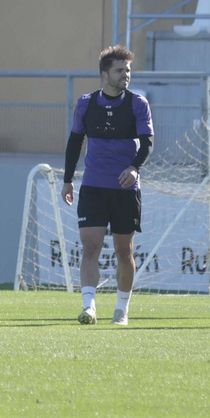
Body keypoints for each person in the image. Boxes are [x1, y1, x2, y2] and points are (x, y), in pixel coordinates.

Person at [61, 45, 152, 326]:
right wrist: (67, 180)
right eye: (119, 70)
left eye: (127, 70)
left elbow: (147, 143)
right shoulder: (86, 103)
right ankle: (89, 307)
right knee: (90, 247)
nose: (125, 75)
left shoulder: (138, 103)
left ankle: (121, 310)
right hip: (93, 186)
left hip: (125, 187)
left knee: (124, 251)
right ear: (104, 74)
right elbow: (75, 142)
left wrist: (134, 169)